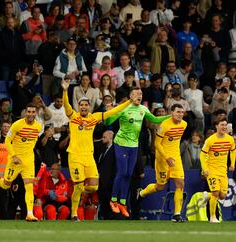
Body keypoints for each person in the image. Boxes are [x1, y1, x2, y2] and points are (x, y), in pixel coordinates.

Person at [61, 78, 137, 221]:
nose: (83, 107)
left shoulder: (94, 118)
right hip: (75, 156)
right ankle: (74, 214)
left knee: (94, 187)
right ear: (78, 106)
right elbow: (65, 105)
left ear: (89, 107)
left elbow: (113, 111)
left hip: (88, 157)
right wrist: (65, 90)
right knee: (78, 186)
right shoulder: (73, 117)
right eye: (81, 105)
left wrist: (129, 102)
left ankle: (75, 191)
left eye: (86, 105)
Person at [105, 88, 169, 218]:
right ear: (130, 96)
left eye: (141, 94)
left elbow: (155, 120)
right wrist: (108, 112)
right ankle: (113, 201)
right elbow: (108, 122)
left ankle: (122, 203)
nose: (139, 95)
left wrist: (170, 116)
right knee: (122, 173)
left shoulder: (143, 109)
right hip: (121, 144)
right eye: (136, 94)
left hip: (134, 146)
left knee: (129, 174)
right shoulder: (123, 108)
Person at [136, 104, 187, 222]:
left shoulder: (184, 124)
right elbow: (157, 144)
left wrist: (172, 156)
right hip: (162, 159)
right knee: (160, 186)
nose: (180, 114)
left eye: (182, 112)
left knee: (180, 184)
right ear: (172, 113)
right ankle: (142, 193)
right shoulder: (164, 125)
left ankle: (177, 214)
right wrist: (166, 157)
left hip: (176, 158)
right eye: (178, 112)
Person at [0, 103, 43, 222]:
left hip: (28, 161)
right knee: (6, 184)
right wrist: (14, 156)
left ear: (36, 113)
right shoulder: (17, 125)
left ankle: (30, 214)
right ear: (25, 112)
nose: (30, 114)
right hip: (14, 161)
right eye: (28, 112)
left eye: (33, 112)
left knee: (29, 186)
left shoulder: (38, 126)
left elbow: (34, 140)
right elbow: (7, 141)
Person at [200, 117, 236, 223]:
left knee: (222, 196)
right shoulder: (210, 140)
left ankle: (207, 195)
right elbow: (202, 155)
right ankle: (212, 217)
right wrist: (205, 169)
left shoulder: (230, 139)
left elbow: (233, 151)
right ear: (217, 126)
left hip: (223, 171)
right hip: (211, 170)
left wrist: (232, 164)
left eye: (225, 125)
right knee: (215, 193)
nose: (224, 127)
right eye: (222, 125)